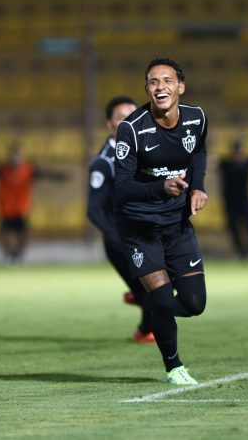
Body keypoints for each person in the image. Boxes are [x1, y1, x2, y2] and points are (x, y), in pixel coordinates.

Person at [114, 58, 209, 385]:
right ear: (148, 89)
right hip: (140, 229)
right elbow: (122, 188)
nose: (160, 87)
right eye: (153, 82)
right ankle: (174, 367)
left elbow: (198, 152)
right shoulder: (132, 129)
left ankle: (157, 308)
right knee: (160, 296)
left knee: (194, 304)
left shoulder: (197, 118)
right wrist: (160, 187)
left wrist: (198, 187)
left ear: (180, 86)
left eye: (166, 80)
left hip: (177, 225)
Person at [87, 96, 155, 344]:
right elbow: (93, 211)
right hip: (123, 239)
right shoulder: (104, 163)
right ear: (109, 125)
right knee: (155, 290)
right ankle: (145, 330)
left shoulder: (147, 151)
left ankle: (138, 299)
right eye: (121, 117)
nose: (129, 121)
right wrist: (120, 240)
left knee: (164, 285)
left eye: (133, 116)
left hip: (148, 233)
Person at [0, 143, 65, 264]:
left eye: (18, 156)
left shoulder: (29, 169)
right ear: (10, 157)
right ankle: (8, 254)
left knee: (23, 233)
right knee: (4, 233)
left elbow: (45, 173)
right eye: (14, 156)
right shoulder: (1, 169)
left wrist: (59, 176)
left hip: (21, 207)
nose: (16, 159)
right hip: (5, 207)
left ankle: (19, 254)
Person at [218, 139, 248, 259]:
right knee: (233, 227)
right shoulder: (226, 164)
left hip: (244, 199)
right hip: (230, 201)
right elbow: (212, 163)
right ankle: (242, 252)